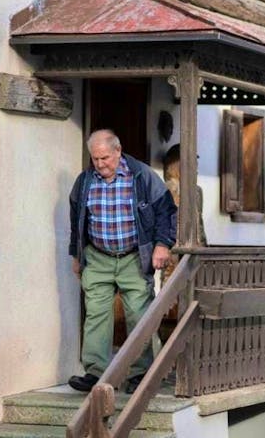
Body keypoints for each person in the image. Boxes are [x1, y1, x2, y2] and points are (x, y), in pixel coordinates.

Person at [67, 129, 177, 394]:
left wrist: (162, 245)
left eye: (105, 157)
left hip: (133, 257)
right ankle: (96, 373)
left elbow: (166, 211)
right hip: (98, 256)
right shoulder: (84, 182)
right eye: (95, 159)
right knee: (95, 314)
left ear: (118, 151)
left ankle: (141, 374)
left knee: (139, 315)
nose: (100, 164)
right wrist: (76, 255)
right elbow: (76, 222)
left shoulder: (142, 176)